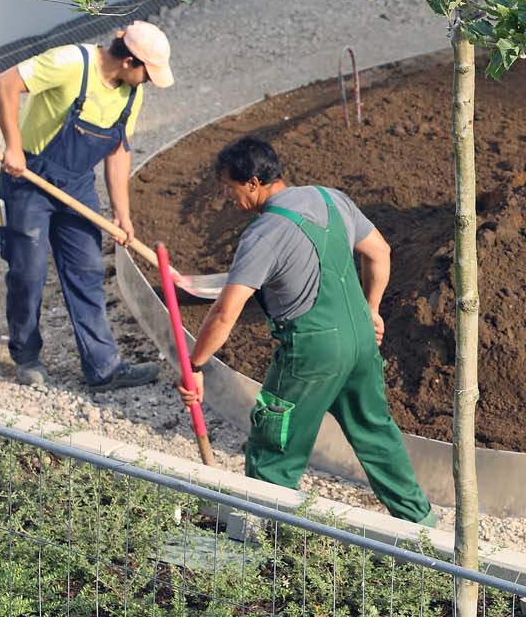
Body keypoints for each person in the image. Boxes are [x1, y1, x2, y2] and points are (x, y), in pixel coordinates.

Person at [176, 136, 434, 525]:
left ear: (253, 183)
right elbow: (380, 251)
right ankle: (423, 528)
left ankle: (273, 543)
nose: (228, 197)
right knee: (376, 433)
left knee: (274, 446)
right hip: (363, 343)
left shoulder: (264, 234)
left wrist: (195, 364)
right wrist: (372, 311)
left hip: (310, 353)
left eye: (230, 188)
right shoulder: (331, 199)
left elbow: (226, 312)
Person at [0, 22, 173, 390]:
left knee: (87, 271)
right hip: (28, 179)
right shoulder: (71, 63)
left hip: (76, 186)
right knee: (27, 274)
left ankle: (102, 367)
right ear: (129, 62)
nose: (148, 82)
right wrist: (13, 146)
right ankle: (26, 357)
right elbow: (5, 83)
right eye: (147, 74)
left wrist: (122, 213)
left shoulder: (130, 95)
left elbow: (118, 150)